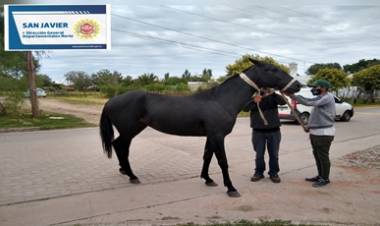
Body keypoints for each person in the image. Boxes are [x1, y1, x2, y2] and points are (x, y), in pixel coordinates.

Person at [287, 80, 336, 187]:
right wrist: (293, 97)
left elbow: (309, 103)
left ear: (323, 87)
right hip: (316, 132)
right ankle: (320, 175)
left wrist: (293, 96)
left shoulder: (328, 97)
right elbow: (310, 101)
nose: (314, 89)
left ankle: (325, 178)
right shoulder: (320, 97)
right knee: (317, 155)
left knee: (323, 156)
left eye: (317, 87)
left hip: (324, 133)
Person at [243, 88, 286, 183]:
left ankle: (274, 173)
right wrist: (254, 101)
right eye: (261, 87)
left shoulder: (273, 97)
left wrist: (273, 93)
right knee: (259, 154)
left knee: (274, 154)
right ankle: (259, 172)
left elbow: (283, 102)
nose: (263, 89)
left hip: (274, 131)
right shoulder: (253, 96)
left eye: (266, 87)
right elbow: (245, 108)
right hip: (258, 131)